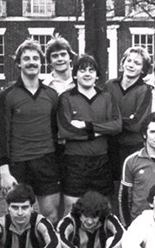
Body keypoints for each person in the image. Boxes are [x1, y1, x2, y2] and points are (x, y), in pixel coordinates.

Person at [0, 39, 61, 225]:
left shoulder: (51, 94)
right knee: (18, 218)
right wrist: (4, 172)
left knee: (52, 217)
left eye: (35, 58)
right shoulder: (7, 96)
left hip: (47, 162)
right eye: (26, 58)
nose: (31, 62)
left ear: (42, 63)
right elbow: (1, 135)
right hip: (18, 165)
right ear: (18, 63)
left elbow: (56, 131)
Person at [57, 54, 122, 213]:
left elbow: (117, 125)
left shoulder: (106, 97)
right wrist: (98, 132)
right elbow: (66, 130)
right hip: (75, 163)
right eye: (82, 70)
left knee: (103, 210)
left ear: (97, 75)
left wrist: (87, 126)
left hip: (101, 162)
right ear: (75, 74)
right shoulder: (66, 98)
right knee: (72, 210)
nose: (87, 74)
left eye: (91, 70)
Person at [104, 46, 153, 183]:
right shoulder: (109, 86)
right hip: (110, 147)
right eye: (129, 61)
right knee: (111, 190)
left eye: (137, 63)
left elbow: (137, 124)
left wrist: (113, 123)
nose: (131, 65)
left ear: (143, 69)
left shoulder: (145, 90)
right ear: (123, 63)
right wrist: (126, 119)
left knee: (131, 189)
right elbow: (102, 115)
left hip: (133, 148)